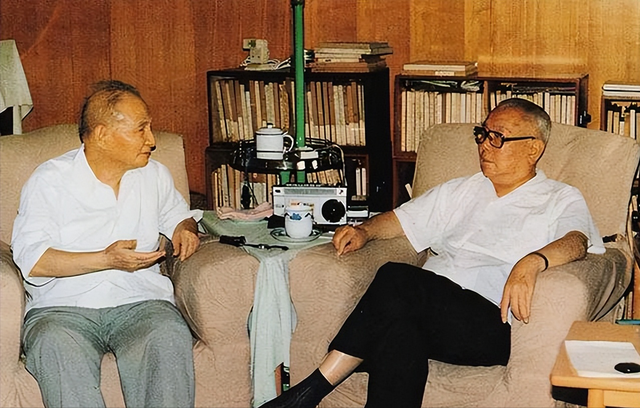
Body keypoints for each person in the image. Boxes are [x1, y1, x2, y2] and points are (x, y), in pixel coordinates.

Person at [260, 98, 604, 408]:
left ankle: (308, 393)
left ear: (533, 149)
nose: (484, 145)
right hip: (429, 313)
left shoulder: (558, 197)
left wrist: (532, 262)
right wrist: (365, 231)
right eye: (482, 134)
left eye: (497, 137)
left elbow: (577, 240)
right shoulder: (462, 189)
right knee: (399, 334)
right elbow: (401, 219)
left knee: (397, 278)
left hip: (491, 323)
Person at [11, 80, 203, 408]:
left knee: (168, 334)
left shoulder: (154, 175)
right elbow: (33, 260)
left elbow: (178, 215)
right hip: (62, 309)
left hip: (140, 302)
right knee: (52, 343)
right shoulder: (50, 180)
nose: (152, 140)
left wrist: (185, 229)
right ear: (102, 134)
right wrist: (106, 259)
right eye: (141, 129)